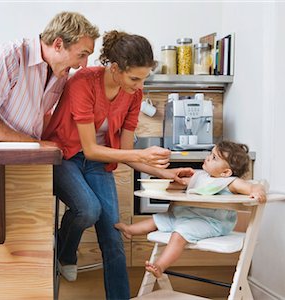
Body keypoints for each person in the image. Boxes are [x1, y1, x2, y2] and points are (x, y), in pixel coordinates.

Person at [42, 30, 193, 300]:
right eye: (134, 78)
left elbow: (125, 152)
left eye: (143, 78)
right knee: (88, 209)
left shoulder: (133, 93)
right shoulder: (83, 83)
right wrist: (142, 155)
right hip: (65, 155)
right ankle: (65, 251)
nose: (138, 86)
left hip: (101, 161)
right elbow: (89, 148)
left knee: (113, 236)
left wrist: (165, 173)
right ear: (114, 68)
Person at [115, 141, 267, 279]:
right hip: (189, 216)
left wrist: (258, 191)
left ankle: (160, 266)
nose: (208, 158)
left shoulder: (230, 182)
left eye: (214, 158)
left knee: (179, 233)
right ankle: (130, 230)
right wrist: (163, 183)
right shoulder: (202, 176)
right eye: (210, 154)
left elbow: (253, 186)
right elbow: (182, 184)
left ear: (226, 172)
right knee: (158, 219)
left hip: (211, 222)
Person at [0, 12, 99, 143]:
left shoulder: (60, 71)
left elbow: (43, 114)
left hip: (28, 157)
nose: (84, 65)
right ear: (58, 45)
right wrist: (35, 144)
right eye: (82, 55)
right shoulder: (8, 58)